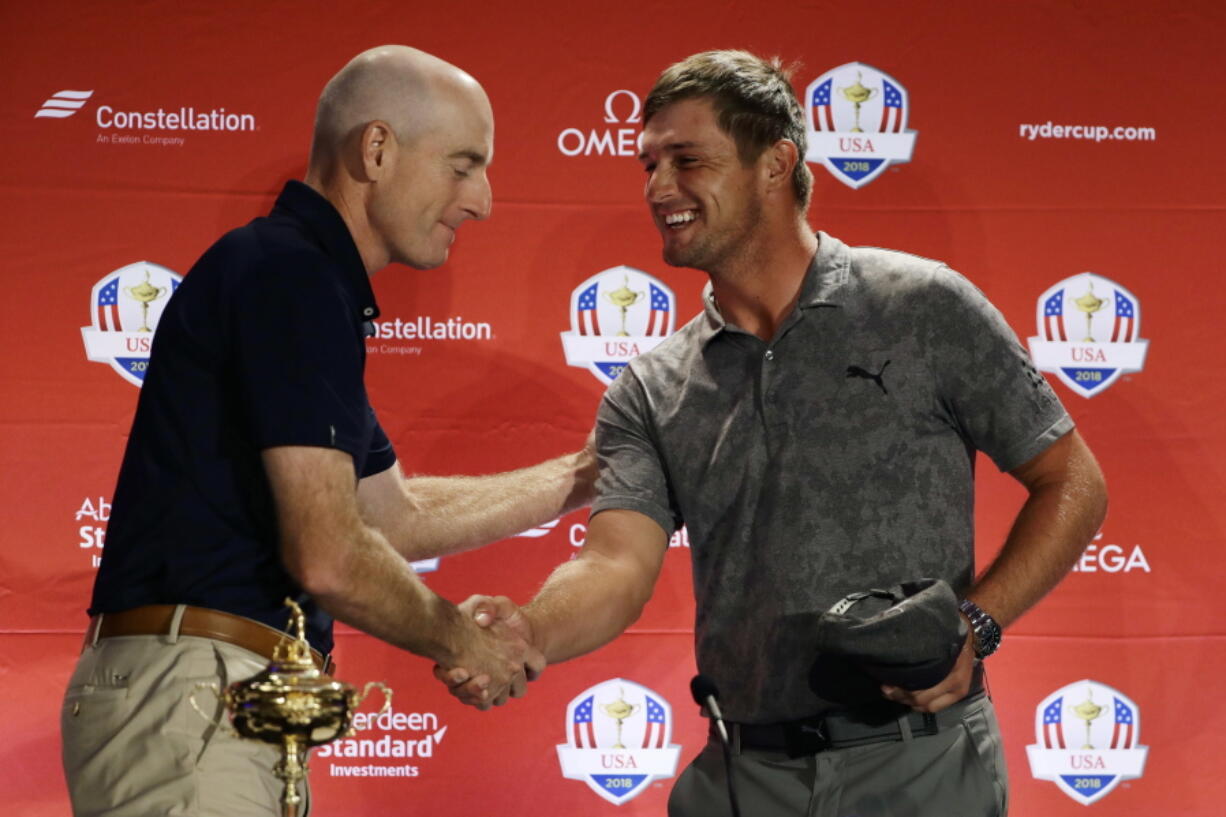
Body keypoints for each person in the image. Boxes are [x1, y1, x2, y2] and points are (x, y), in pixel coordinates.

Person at [438, 50, 1108, 816]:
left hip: (918, 764)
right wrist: (530, 631)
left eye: (687, 160)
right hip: (740, 777)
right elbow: (615, 563)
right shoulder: (651, 386)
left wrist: (977, 624)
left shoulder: (924, 307)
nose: (659, 189)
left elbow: (1074, 482)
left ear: (775, 162)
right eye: (649, 164)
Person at [61, 45, 594, 817]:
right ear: (376, 149)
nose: (481, 200)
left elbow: (389, 518)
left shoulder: (298, 279)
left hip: (211, 707)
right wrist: (462, 641)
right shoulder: (291, 273)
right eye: (462, 165)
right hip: (194, 705)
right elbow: (329, 553)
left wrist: (584, 477)